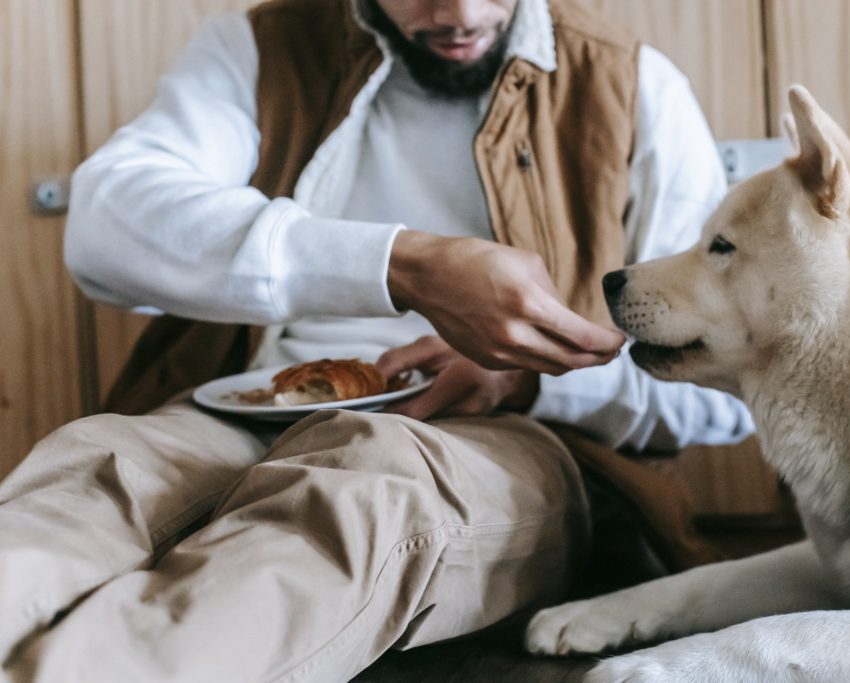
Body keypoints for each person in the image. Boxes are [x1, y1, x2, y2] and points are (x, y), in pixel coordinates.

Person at [0, 0, 753, 680]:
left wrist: (525, 377)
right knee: (96, 469)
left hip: (500, 435)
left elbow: (729, 389)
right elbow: (105, 225)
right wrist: (401, 265)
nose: (457, 13)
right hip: (251, 403)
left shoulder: (631, 85)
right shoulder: (259, 48)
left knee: (367, 492)